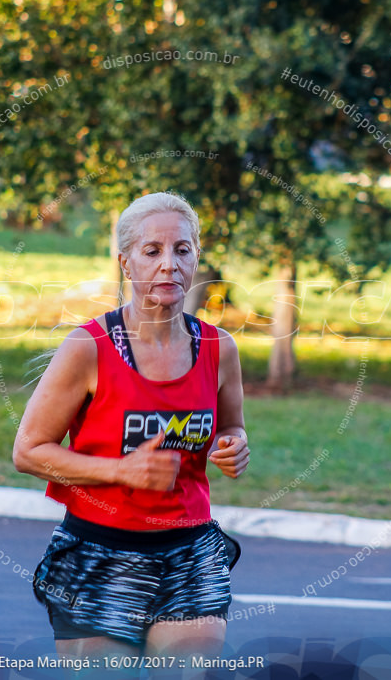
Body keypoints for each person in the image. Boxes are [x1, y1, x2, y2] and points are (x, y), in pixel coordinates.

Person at [13, 191, 250, 673]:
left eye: (182, 250)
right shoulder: (88, 348)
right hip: (100, 552)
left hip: (190, 550)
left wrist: (232, 446)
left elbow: (231, 427)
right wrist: (123, 470)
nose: (169, 265)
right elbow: (29, 451)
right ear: (125, 262)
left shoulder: (217, 348)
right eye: (152, 251)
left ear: (196, 257)